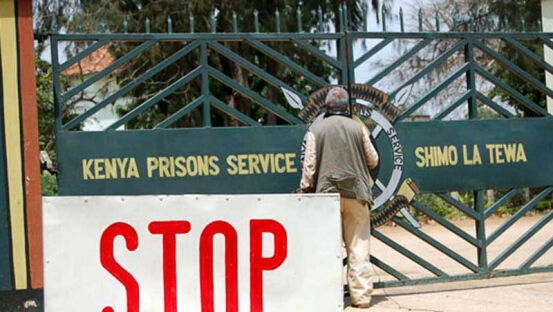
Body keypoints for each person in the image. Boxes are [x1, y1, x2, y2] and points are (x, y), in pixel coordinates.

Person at [300, 87, 379, 309]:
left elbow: (309, 165)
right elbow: (372, 160)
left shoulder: (316, 128)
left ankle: (329, 297)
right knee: (358, 248)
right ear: (347, 107)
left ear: (326, 106)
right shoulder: (358, 127)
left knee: (328, 249)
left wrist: (306, 187)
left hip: (327, 198)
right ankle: (361, 298)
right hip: (356, 194)